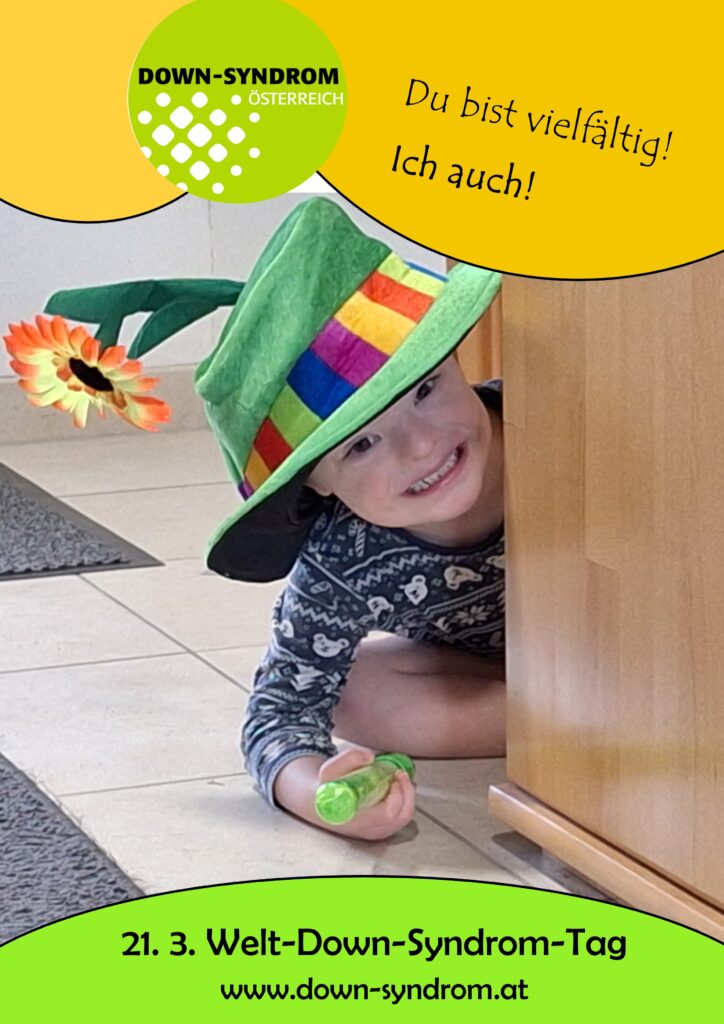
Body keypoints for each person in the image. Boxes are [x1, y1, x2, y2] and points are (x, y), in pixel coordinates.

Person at [43, 196, 504, 842]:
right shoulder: (343, 558)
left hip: (624, 638)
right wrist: (320, 793)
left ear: (457, 358)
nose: (422, 446)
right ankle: (586, 719)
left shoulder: (557, 428)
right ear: (316, 486)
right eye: (361, 445)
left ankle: (600, 707)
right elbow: (280, 712)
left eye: (425, 389)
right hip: (527, 670)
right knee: (353, 694)